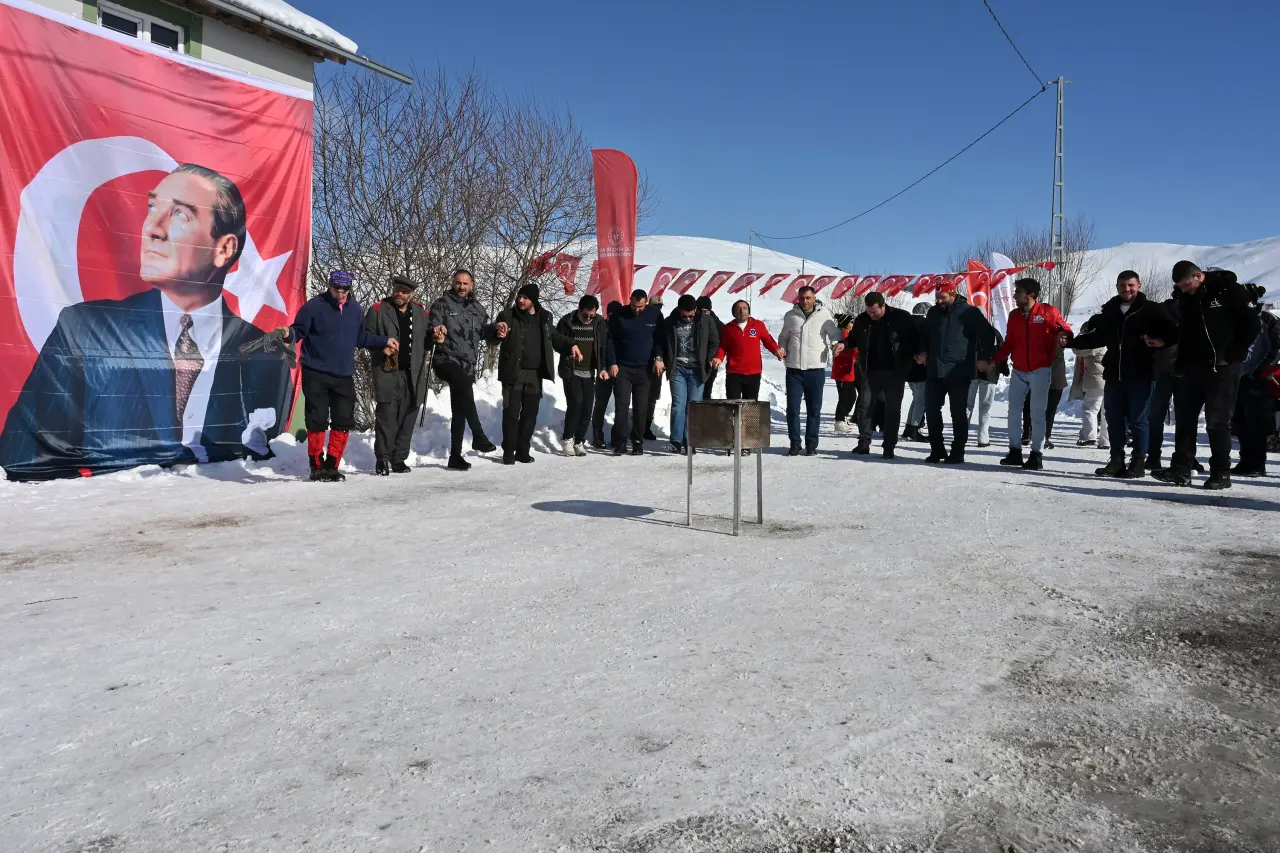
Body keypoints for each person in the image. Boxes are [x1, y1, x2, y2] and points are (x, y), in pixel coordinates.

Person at [0, 164, 294, 481]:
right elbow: (22, 458)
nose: (152, 227)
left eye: (181, 215)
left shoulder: (266, 357)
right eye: (153, 207)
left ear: (224, 248)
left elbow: (268, 458)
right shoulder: (84, 328)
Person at [1151, 262, 1260, 489]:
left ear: (1199, 276)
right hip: (1192, 366)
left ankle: (1221, 472)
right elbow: (1183, 329)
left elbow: (1252, 324)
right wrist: (1165, 341)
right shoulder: (1187, 298)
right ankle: (1182, 468)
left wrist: (1234, 355)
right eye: (1180, 286)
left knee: (1217, 422)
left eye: (1186, 284)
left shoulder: (1229, 291)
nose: (1183, 289)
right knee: (1185, 419)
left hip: (1222, 368)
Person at [287, 270, 395, 481]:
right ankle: (317, 466)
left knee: (343, 420)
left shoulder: (355, 309)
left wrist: (383, 342)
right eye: (337, 288)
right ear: (330, 286)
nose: (341, 292)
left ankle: (332, 465)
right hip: (315, 371)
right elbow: (298, 330)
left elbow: (361, 337)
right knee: (317, 419)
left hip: (343, 374)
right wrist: (287, 334)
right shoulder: (314, 307)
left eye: (345, 289)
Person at [1068, 270, 1175, 479]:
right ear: (1117, 287)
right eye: (1122, 286)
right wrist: (1071, 342)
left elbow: (1172, 332)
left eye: (1131, 285)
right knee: (1113, 418)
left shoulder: (1152, 310)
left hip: (1142, 374)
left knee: (1138, 419)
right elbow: (1097, 338)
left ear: (1139, 286)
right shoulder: (1110, 311)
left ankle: (1138, 462)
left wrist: (1162, 342)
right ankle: (1116, 460)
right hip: (1114, 374)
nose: (1127, 289)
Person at [985, 278, 1071, 471]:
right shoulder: (1014, 315)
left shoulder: (1048, 312)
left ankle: (1036, 454)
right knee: (1013, 411)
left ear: (1030, 294)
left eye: (1018, 292)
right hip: (1019, 370)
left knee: (1037, 413)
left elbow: (1065, 329)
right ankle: (1014, 451)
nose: (1015, 295)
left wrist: (1065, 336)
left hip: (1040, 369)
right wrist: (996, 358)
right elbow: (1009, 342)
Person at [428, 269, 502, 471]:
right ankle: (478, 435)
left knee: (460, 409)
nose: (461, 287)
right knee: (462, 385)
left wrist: (498, 331)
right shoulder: (441, 304)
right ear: (453, 283)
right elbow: (431, 327)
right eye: (458, 283)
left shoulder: (478, 309)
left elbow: (487, 334)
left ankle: (455, 456)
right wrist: (437, 332)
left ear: (471, 285)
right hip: (445, 359)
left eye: (465, 283)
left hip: (467, 364)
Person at [917, 282, 995, 464]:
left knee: (958, 413)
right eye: (937, 297)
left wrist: (982, 356)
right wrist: (923, 351)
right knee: (931, 410)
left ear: (953, 295)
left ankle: (958, 451)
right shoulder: (934, 312)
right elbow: (924, 335)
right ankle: (937, 449)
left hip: (958, 371)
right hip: (934, 370)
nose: (939, 301)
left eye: (942, 298)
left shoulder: (969, 312)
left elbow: (987, 334)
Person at [493, 284, 567, 465]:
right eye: (520, 297)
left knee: (530, 415)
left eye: (525, 297)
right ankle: (509, 451)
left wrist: (571, 345)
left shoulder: (544, 317)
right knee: (511, 412)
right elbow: (494, 334)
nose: (520, 300)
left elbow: (555, 337)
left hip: (535, 375)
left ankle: (523, 450)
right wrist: (497, 332)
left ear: (533, 299)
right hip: (513, 373)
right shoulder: (507, 316)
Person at [363, 275, 430, 476]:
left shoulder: (420, 312)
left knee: (408, 417)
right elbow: (365, 337)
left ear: (411, 294)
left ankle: (399, 458)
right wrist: (381, 345)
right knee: (386, 417)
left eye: (404, 291)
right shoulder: (378, 310)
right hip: (388, 371)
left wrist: (436, 336)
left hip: (414, 374)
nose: (399, 294)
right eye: (397, 289)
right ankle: (382, 459)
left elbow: (426, 341)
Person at [848, 293, 917, 458]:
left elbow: (915, 339)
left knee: (892, 409)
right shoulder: (862, 319)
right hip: (870, 371)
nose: (871, 314)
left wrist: (917, 354)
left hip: (895, 372)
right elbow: (853, 339)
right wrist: (843, 345)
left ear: (883, 306)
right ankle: (863, 443)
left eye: (874, 311)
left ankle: (889, 447)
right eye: (868, 311)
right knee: (865, 406)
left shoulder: (901, 318)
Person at [777, 286, 844, 455]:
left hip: (816, 370)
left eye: (808, 298)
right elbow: (784, 337)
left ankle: (811, 444)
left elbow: (835, 334)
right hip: (794, 370)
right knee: (792, 408)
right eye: (801, 298)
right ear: (798, 299)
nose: (805, 301)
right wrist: (782, 348)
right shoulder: (790, 316)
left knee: (814, 409)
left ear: (814, 298)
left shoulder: (823, 315)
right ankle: (795, 443)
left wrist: (836, 345)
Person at [606, 289, 665, 456]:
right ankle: (620, 442)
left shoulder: (654, 315)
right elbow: (611, 340)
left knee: (641, 408)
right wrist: (612, 362)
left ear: (646, 302)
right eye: (633, 305)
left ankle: (638, 441)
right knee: (622, 407)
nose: (636, 309)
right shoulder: (620, 314)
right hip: (623, 368)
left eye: (640, 306)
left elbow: (660, 340)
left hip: (644, 369)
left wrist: (659, 357)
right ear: (629, 300)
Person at [662, 294, 720, 453]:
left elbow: (715, 341)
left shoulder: (706, 321)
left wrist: (709, 357)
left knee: (693, 406)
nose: (688, 319)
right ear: (679, 310)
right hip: (677, 369)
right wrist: (660, 358)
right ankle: (675, 441)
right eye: (684, 316)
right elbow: (661, 342)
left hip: (697, 370)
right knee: (678, 405)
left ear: (696, 309)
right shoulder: (669, 322)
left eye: (691, 316)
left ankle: (690, 442)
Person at [1231, 285, 1278, 478]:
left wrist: (1260, 371)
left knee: (1256, 423)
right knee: (1240, 422)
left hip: (1258, 379)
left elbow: (1276, 348)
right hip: (1236, 377)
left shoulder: (1267, 319)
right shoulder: (1233, 318)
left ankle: (1258, 464)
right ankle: (1245, 461)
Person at [555, 295, 608, 457]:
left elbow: (603, 347)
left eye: (592, 315)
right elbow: (556, 341)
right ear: (579, 310)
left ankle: (579, 440)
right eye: (586, 315)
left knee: (587, 408)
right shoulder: (566, 321)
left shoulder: (599, 323)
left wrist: (603, 367)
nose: (589, 318)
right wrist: (569, 348)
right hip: (571, 370)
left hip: (589, 372)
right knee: (576, 403)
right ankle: (567, 438)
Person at [712, 299, 785, 401]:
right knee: (732, 405)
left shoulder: (758, 325)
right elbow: (723, 346)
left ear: (749, 311)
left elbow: (768, 341)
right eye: (738, 309)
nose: (742, 311)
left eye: (745, 308)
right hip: (734, 373)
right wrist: (718, 358)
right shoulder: (728, 328)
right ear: (733, 313)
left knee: (750, 407)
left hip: (753, 373)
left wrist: (776, 350)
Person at [1069, 322, 1108, 454]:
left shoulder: (1095, 344)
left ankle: (1088, 436)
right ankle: (1106, 441)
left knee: (1090, 408)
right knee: (1106, 411)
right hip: (1108, 379)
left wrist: (1081, 336)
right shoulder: (1109, 340)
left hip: (1095, 380)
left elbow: (1077, 349)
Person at [590, 300, 624, 449]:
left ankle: (617, 435)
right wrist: (602, 367)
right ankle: (597, 434)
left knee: (621, 405)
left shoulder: (623, 326)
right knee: (601, 404)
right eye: (611, 314)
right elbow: (598, 350)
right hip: (603, 371)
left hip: (621, 370)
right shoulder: (601, 326)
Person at [1022, 346, 1068, 449]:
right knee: (1049, 410)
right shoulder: (1060, 336)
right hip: (1055, 379)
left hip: (1039, 377)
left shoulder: (1040, 337)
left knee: (1030, 405)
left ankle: (1027, 434)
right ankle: (1044, 437)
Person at [966, 328, 1004, 448]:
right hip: (990, 372)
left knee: (967, 405)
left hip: (971, 372)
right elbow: (1002, 349)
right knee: (985, 408)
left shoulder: (968, 331)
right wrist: (1002, 367)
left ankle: (962, 436)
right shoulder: (994, 332)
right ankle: (983, 438)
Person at [902, 302, 930, 442]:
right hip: (920, 367)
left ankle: (908, 428)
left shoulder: (906, 324)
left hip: (908, 367)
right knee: (921, 399)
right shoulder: (924, 325)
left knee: (916, 397)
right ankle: (914, 428)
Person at [643, 294, 666, 441]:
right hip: (648, 363)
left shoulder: (658, 318)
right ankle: (643, 427)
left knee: (650, 398)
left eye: (658, 306)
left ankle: (644, 427)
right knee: (648, 398)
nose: (656, 309)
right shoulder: (650, 317)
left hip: (654, 363)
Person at [831, 314, 858, 434]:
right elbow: (844, 351)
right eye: (851, 322)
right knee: (844, 397)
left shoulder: (849, 334)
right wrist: (857, 353)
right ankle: (839, 420)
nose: (853, 324)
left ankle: (843, 418)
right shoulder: (841, 334)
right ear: (846, 323)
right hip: (842, 371)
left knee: (852, 396)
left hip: (849, 371)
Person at [697, 296, 725, 400]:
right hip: (696, 362)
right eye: (701, 310)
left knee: (707, 390)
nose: (703, 313)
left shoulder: (718, 324)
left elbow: (723, 344)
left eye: (706, 311)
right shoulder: (693, 321)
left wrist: (717, 357)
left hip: (711, 362)